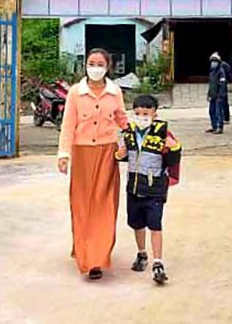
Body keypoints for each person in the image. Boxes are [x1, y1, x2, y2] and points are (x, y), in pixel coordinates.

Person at [57, 48, 128, 281]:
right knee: (81, 204)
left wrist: (137, 134)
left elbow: (122, 119)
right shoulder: (76, 93)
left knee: (105, 205)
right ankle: (83, 249)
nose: (95, 67)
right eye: (91, 63)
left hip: (108, 154)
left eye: (100, 63)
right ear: (85, 65)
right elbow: (68, 126)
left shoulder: (114, 92)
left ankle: (97, 258)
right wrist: (64, 154)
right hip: (82, 153)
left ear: (108, 66)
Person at [115, 95, 182, 285]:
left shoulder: (163, 134)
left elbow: (172, 161)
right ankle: (141, 253)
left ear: (155, 114)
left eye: (146, 113)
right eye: (137, 114)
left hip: (154, 190)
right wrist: (119, 155)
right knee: (136, 224)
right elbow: (128, 157)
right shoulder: (128, 133)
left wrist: (175, 148)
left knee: (155, 225)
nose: (141, 117)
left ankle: (158, 262)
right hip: (134, 188)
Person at [206, 53, 228, 134]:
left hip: (219, 96)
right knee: (211, 111)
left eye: (215, 61)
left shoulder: (221, 72)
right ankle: (214, 126)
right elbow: (211, 84)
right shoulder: (212, 72)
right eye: (212, 61)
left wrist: (220, 95)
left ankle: (219, 127)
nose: (213, 63)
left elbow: (222, 84)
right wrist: (209, 94)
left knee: (218, 112)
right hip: (213, 95)